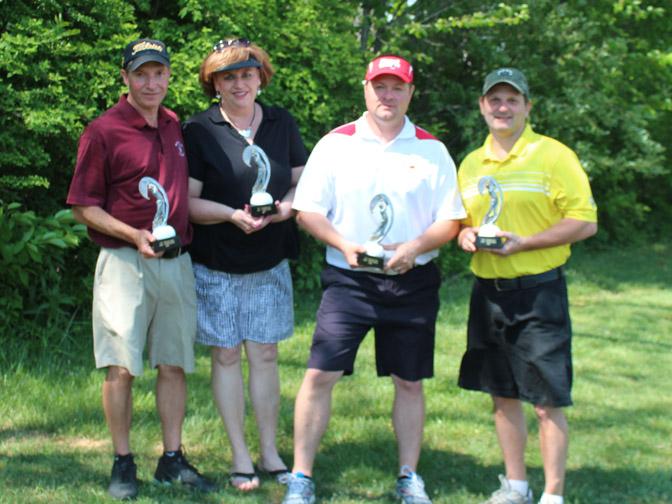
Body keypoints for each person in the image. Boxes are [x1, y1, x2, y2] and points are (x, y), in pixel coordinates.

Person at [282, 55, 466, 504]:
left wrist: (415, 248)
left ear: (410, 92)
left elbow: (451, 221)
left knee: (409, 381)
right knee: (321, 373)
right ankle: (301, 477)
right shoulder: (336, 143)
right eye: (379, 86)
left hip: (412, 280)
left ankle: (408, 476)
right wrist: (344, 245)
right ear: (365, 88)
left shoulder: (431, 149)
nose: (388, 95)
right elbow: (308, 210)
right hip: (349, 280)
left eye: (397, 87)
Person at [66, 39, 215, 499]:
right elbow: (82, 206)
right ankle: (123, 462)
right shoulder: (103, 130)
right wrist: (134, 236)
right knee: (121, 368)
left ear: (169, 76)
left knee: (174, 364)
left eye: (159, 73)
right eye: (141, 74)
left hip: (175, 263)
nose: (151, 82)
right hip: (124, 262)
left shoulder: (174, 125)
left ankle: (171, 459)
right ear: (125, 77)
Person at [456, 68, 598, 504]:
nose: (502, 107)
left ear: (527, 107)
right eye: (494, 100)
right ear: (482, 106)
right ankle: (516, 485)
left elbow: (585, 222)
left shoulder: (554, 155)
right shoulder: (471, 162)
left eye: (511, 100)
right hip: (487, 292)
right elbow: (464, 223)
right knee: (502, 393)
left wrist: (526, 244)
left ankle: (552, 494)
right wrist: (462, 234)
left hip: (539, 291)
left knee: (546, 398)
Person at [182, 38, 307, 491]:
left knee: (266, 354)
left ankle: (270, 451)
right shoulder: (199, 130)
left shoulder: (281, 122)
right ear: (214, 83)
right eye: (228, 76)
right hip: (216, 263)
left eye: (246, 74)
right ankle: (239, 454)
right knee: (227, 355)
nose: (239, 83)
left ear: (261, 77)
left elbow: (299, 183)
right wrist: (231, 215)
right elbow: (189, 205)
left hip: (270, 259)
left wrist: (284, 210)